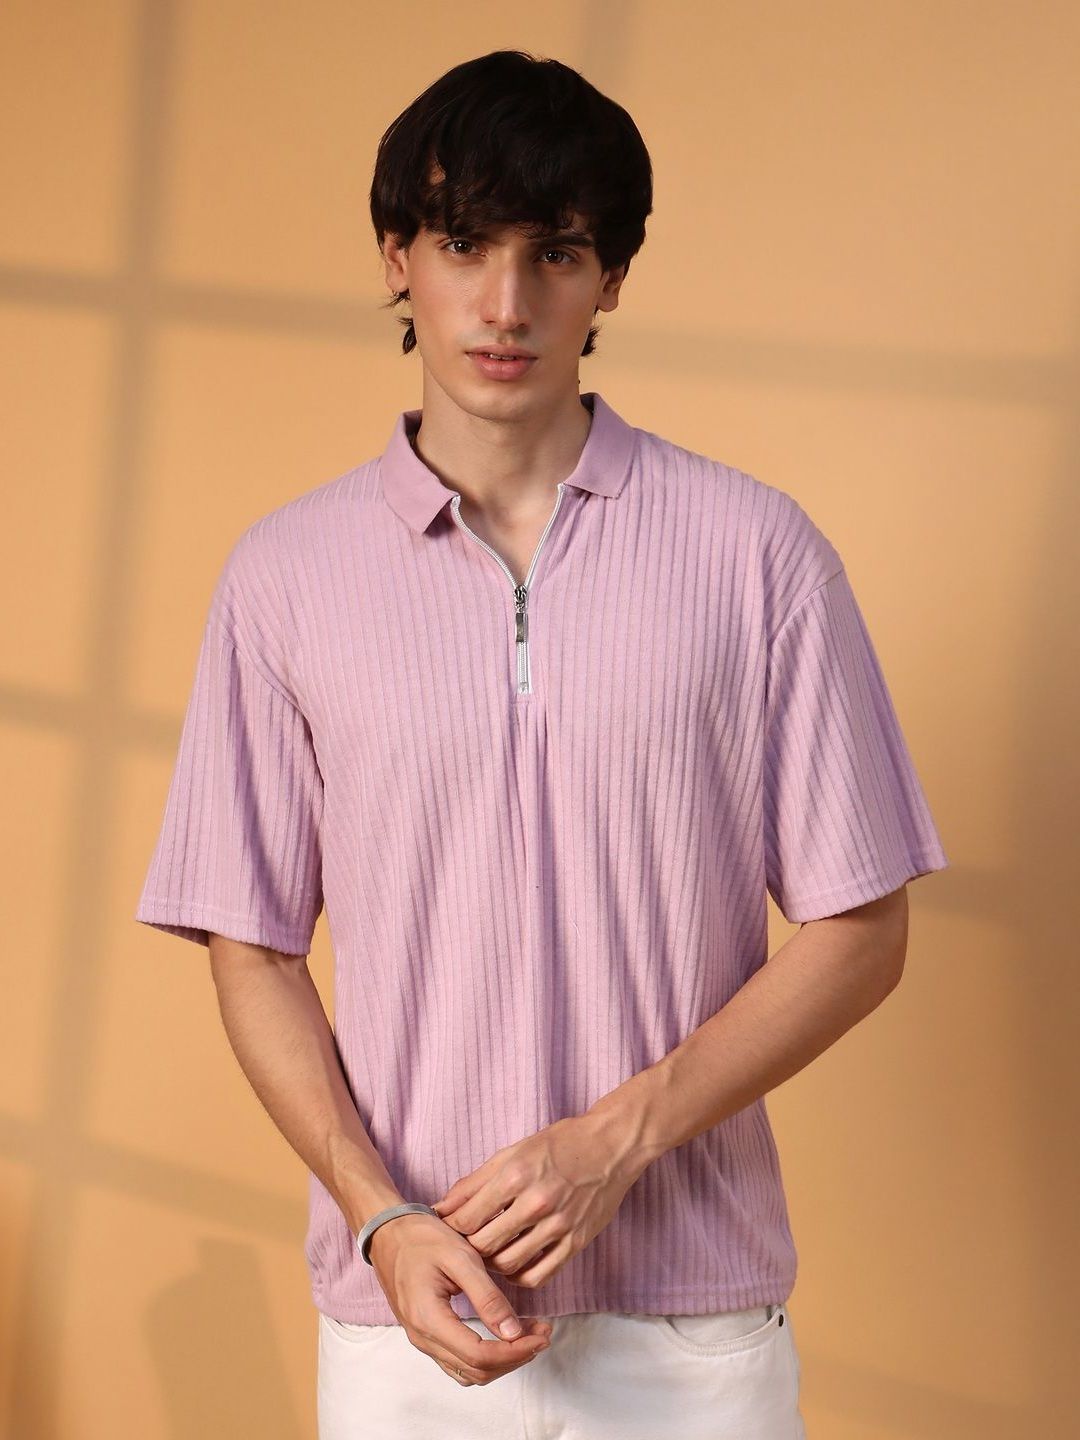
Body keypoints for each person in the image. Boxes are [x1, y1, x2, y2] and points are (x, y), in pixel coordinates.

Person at [135, 49, 948, 1439]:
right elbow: (250, 945)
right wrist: (380, 1217)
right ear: (397, 259)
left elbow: (862, 929)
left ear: (611, 277)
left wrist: (617, 1139)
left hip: (689, 1332)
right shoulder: (284, 578)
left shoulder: (758, 556)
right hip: (405, 1321)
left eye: (556, 253)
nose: (506, 305)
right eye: (463, 246)